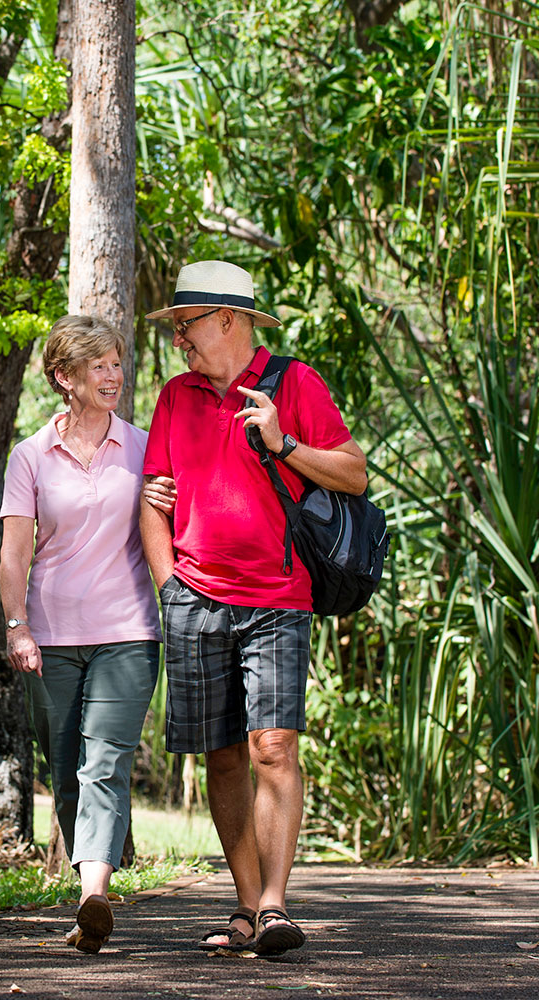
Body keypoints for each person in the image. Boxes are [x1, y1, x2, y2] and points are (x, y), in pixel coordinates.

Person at [138, 260, 368, 957]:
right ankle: (244, 906)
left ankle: (275, 906)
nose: (180, 340)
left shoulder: (294, 383)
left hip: (277, 598)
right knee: (224, 757)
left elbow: (355, 472)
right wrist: (168, 584)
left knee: (274, 748)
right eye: (176, 328)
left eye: (188, 326)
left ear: (229, 321)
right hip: (195, 601)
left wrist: (283, 442)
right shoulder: (176, 397)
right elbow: (153, 497)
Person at [0, 314, 162, 955]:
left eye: (117, 364)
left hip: (128, 630)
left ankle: (93, 894)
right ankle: (90, 883)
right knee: (65, 769)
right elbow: (15, 554)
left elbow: (169, 514)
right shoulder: (31, 455)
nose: (113, 376)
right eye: (98, 365)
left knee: (106, 760)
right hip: (52, 633)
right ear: (63, 377)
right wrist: (18, 628)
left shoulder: (145, 446)